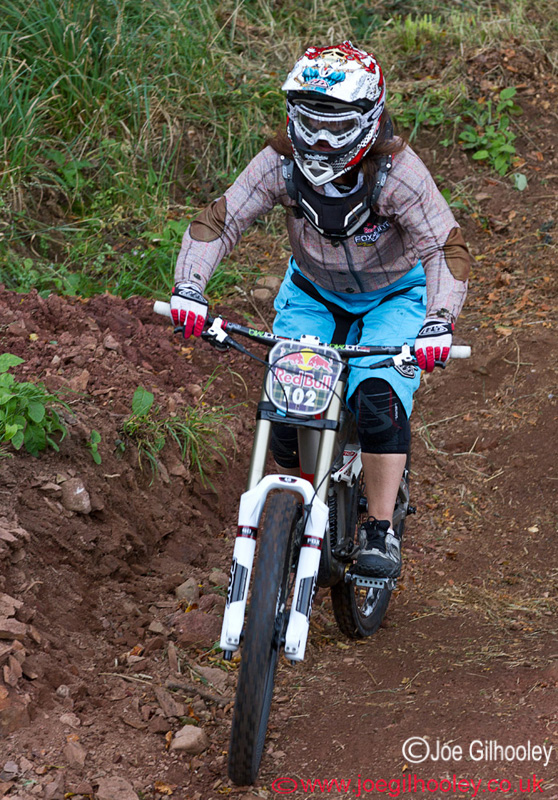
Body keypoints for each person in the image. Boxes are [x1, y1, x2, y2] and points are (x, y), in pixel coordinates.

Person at [169, 41, 470, 579]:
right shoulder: (280, 164)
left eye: (337, 123)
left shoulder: (398, 172)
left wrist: (438, 320)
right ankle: (298, 508)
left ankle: (380, 527)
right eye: (310, 120)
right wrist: (189, 288)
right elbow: (221, 220)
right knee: (287, 411)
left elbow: (443, 246)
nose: (322, 138)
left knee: (378, 401)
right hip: (313, 293)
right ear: (293, 117)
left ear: (370, 118)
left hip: (395, 296)